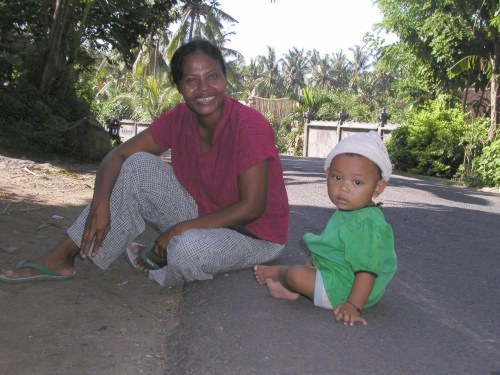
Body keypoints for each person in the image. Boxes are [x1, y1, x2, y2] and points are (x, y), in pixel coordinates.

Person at [0, 39, 289, 287]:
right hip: (205, 213)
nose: (204, 88)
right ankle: (64, 255)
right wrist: (101, 202)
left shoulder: (249, 125)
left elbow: (251, 208)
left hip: (253, 236)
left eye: (213, 76)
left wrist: (177, 230)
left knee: (186, 251)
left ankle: (165, 259)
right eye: (191, 80)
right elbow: (117, 155)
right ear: (179, 86)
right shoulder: (179, 119)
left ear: (225, 79)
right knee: (138, 165)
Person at [254, 131, 397, 326]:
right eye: (337, 178)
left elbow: (367, 271)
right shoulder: (353, 212)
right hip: (341, 277)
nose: (344, 188)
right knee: (310, 263)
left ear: (378, 188)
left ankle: (282, 274)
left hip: (348, 290)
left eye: (357, 182)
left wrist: (353, 306)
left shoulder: (366, 223)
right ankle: (289, 290)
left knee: (296, 274)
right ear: (327, 175)